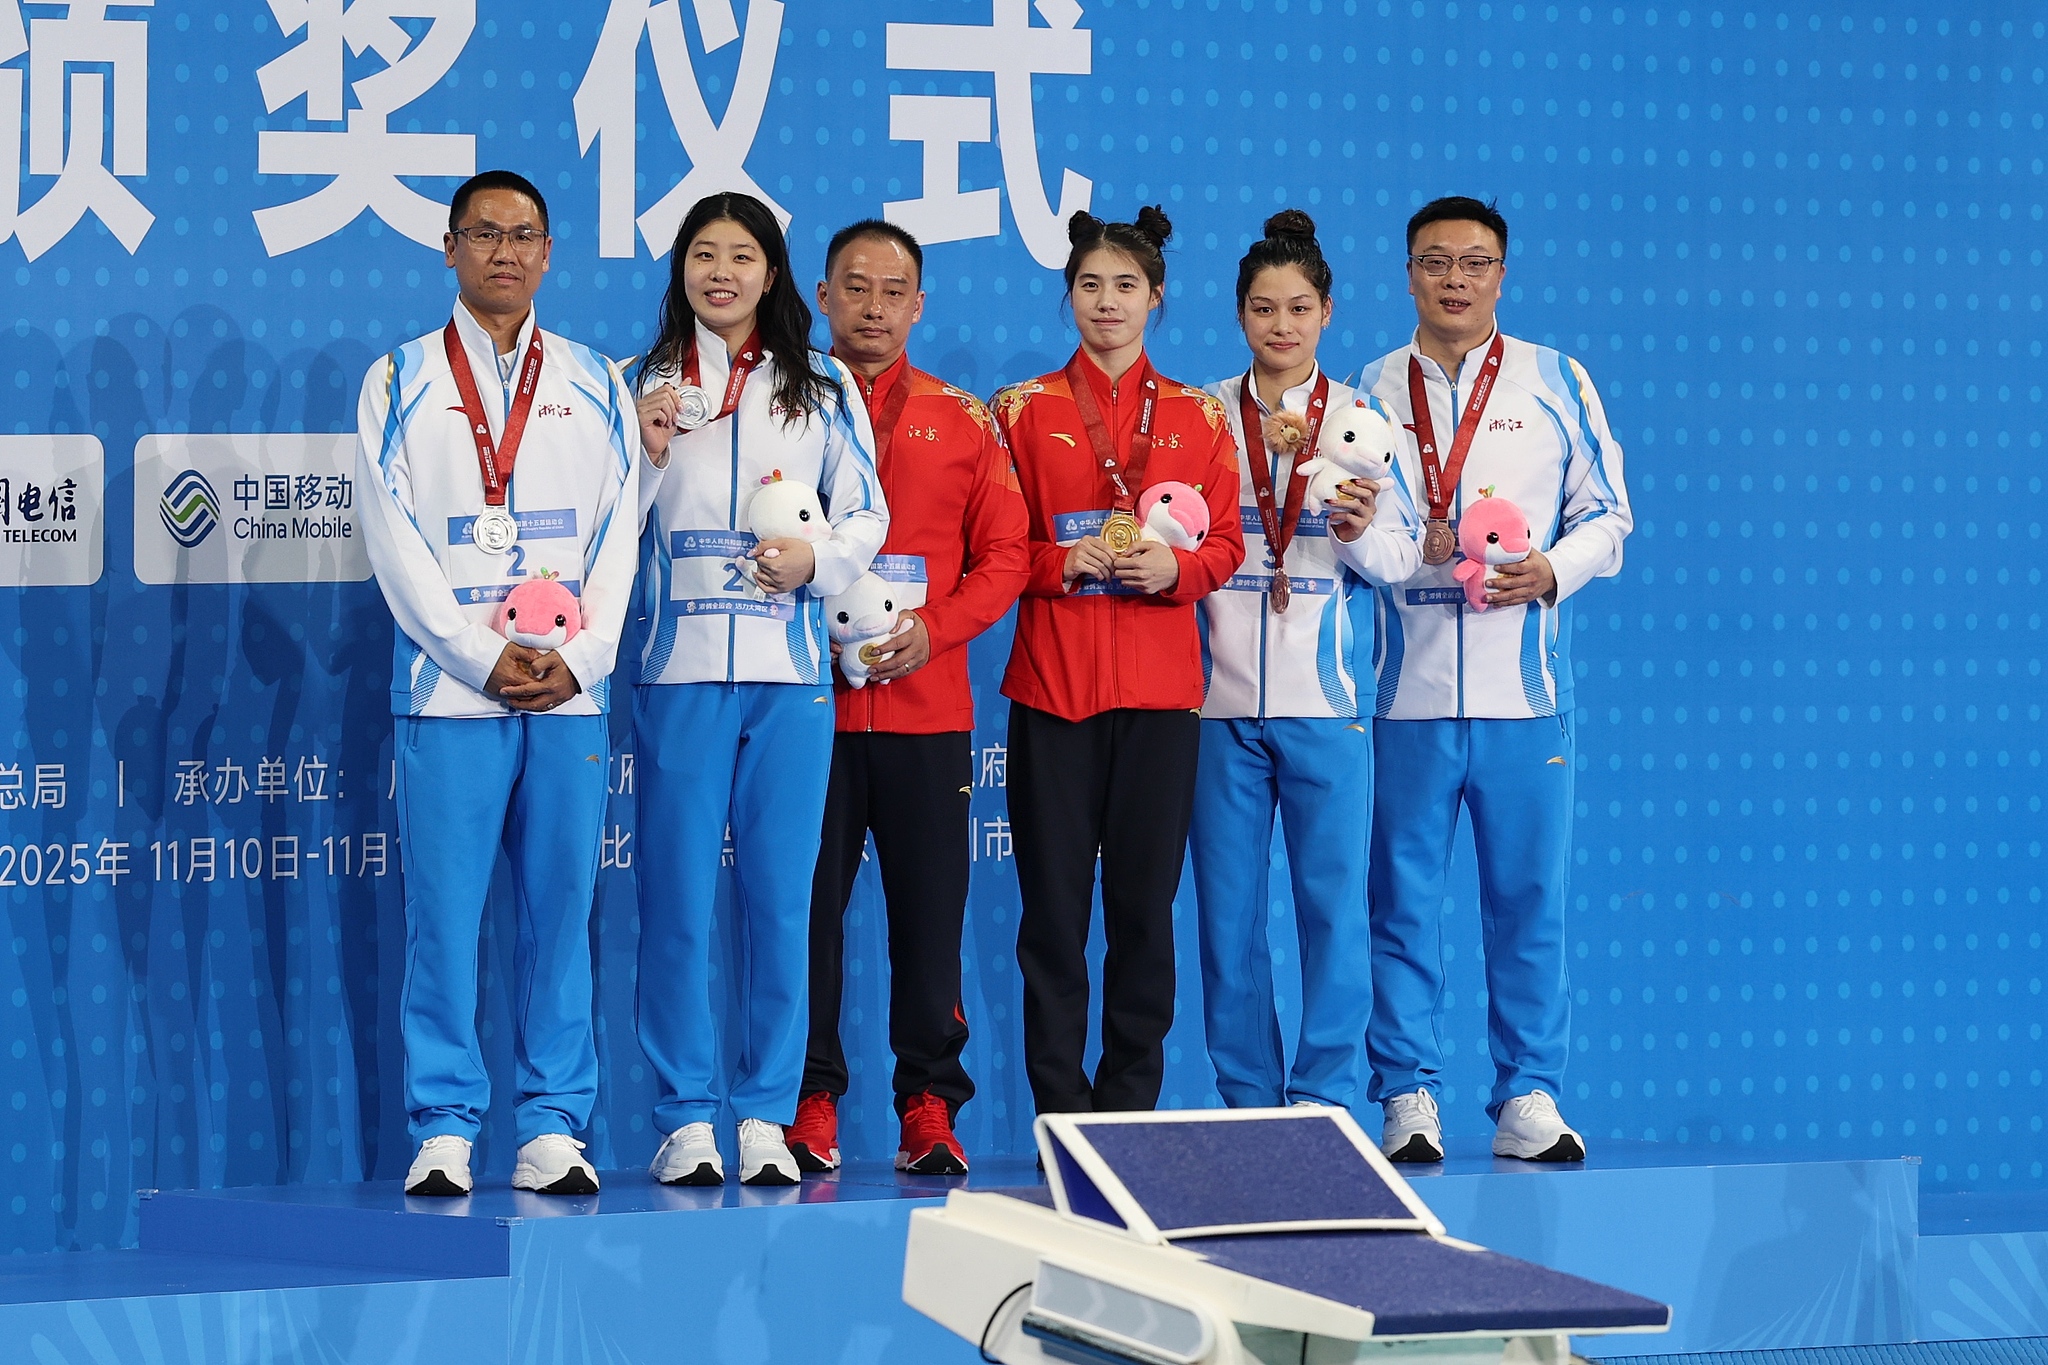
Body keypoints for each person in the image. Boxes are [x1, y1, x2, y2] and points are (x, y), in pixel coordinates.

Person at [355, 170, 638, 1198]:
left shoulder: (599, 381)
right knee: (446, 912)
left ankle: (553, 1125)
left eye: (524, 235)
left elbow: (621, 534)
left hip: (570, 696)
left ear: (549, 252)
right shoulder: (397, 381)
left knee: (563, 909)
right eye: (484, 234)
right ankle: (444, 1125)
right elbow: (392, 541)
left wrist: (580, 656)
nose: (504, 253)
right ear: (449, 247)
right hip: (448, 695)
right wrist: (477, 654)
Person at [1359, 195, 1633, 1162]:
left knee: (1528, 897)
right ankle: (1407, 1093)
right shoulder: (1367, 389)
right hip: (1408, 698)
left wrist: (1553, 569)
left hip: (1526, 696)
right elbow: (1350, 532)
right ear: (1408, 273)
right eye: (1436, 261)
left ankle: (1530, 1093)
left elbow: (1610, 513)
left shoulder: (1557, 379)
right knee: (1400, 899)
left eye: (1476, 263)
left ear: (1502, 276)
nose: (1456, 279)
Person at [632, 193, 884, 1186]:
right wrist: (647, 450)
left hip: (787, 678)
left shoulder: (818, 385)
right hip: (678, 670)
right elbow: (610, 521)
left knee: (784, 903)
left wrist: (811, 559)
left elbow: (866, 513)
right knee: (678, 902)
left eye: (742, 256)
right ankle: (684, 1116)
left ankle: (764, 1116)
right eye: (704, 254)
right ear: (681, 270)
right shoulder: (638, 382)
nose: (722, 273)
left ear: (772, 274)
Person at [782, 220, 1029, 1175]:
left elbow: (1006, 555)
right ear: (823, 297)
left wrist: (938, 631)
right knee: (806, 915)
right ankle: (808, 1099)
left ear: (918, 305)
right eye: (856, 287)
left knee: (930, 916)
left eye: (894, 291)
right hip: (808, 713)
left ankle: (929, 1102)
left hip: (931, 712)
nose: (874, 306)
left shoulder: (964, 419)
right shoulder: (780, 405)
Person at [994, 207, 1246, 1117]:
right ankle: (1059, 1107)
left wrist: (1177, 567)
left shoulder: (1198, 413)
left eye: (1126, 286)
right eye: (1090, 285)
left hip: (1159, 696)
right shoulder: (1020, 411)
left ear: (1157, 298)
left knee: (1144, 914)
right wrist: (1058, 563)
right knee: (1053, 919)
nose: (1107, 302)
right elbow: (993, 549)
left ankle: (1130, 1104)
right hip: (1052, 694)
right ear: (1068, 297)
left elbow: (1225, 547)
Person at [1191, 210, 1422, 1112]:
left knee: (1334, 915)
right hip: (1215, 708)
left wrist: (1361, 533)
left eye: (1297, 308)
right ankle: (1248, 1102)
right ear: (1239, 315)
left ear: (1327, 312)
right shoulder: (1203, 414)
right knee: (1228, 921)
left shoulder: (1365, 426)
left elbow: (1403, 559)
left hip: (1326, 706)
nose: (1279, 326)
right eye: (1261, 308)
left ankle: (1325, 1100)